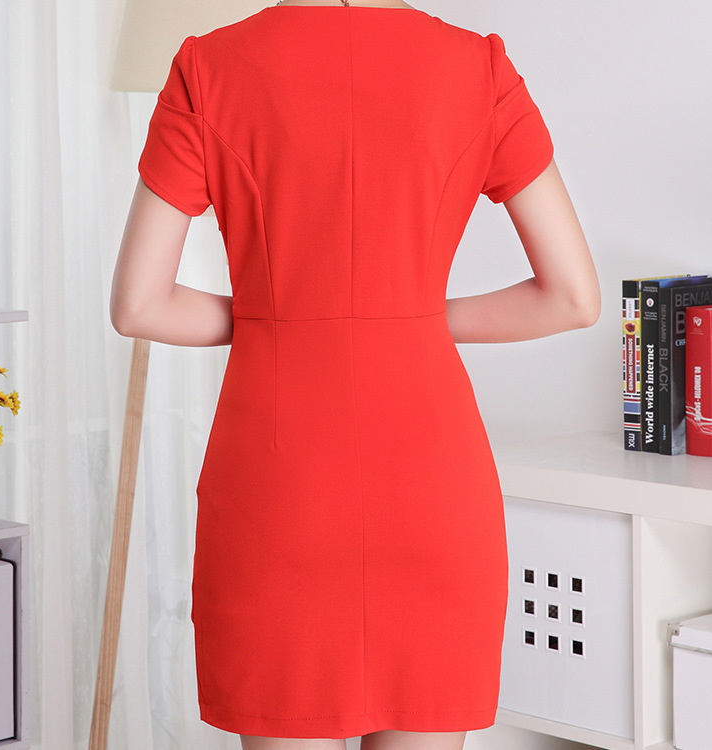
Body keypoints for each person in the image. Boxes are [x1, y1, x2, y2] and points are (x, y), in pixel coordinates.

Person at [110, 1, 600, 749]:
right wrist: (411, 318)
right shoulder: (480, 68)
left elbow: (140, 304)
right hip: (431, 487)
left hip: (279, 489)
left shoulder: (208, 67)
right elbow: (572, 297)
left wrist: (284, 315)